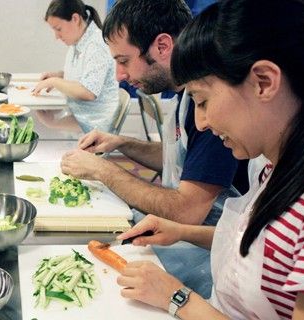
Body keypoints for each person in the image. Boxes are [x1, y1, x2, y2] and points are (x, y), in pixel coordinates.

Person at [116, 0, 304, 318]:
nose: (201, 122)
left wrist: (177, 298)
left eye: (202, 100)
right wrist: (181, 231)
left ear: (264, 82)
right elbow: (265, 247)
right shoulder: (275, 167)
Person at [60, 0, 244, 297]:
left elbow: (187, 211)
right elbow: (184, 160)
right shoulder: (184, 95)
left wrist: (104, 170)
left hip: (207, 263)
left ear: (162, 46)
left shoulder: (214, 111)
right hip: (182, 240)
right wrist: (123, 143)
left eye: (123, 61)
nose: (120, 75)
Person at [32, 0, 120, 133]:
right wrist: (60, 75)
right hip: (79, 117)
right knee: (41, 125)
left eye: (58, 29)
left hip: (94, 127)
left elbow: (88, 92)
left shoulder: (96, 45)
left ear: (75, 19)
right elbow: (84, 75)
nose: (56, 36)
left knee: (43, 128)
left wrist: (54, 81)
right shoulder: (79, 41)